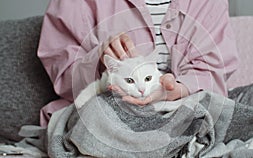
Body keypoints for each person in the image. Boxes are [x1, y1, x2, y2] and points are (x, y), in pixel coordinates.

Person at [37, 0, 239, 127]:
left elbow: (214, 70)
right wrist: (98, 60)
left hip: (186, 108)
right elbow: (64, 76)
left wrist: (177, 89)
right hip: (107, 113)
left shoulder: (210, 3)